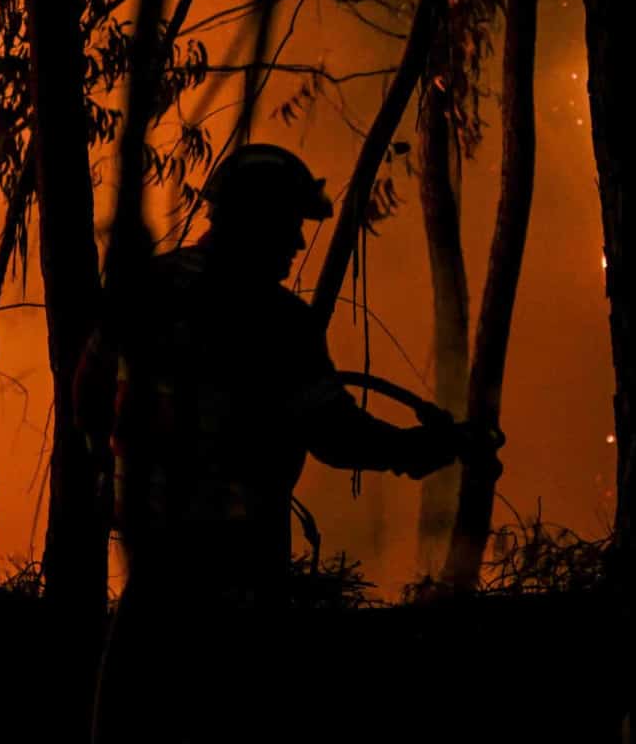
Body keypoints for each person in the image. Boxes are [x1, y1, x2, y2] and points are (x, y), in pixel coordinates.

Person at [85, 143, 495, 743]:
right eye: (289, 226)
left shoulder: (143, 290)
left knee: (130, 713)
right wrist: (423, 450)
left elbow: (86, 397)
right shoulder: (276, 322)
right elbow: (336, 435)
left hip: (151, 559)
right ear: (254, 220)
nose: (297, 245)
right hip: (239, 565)